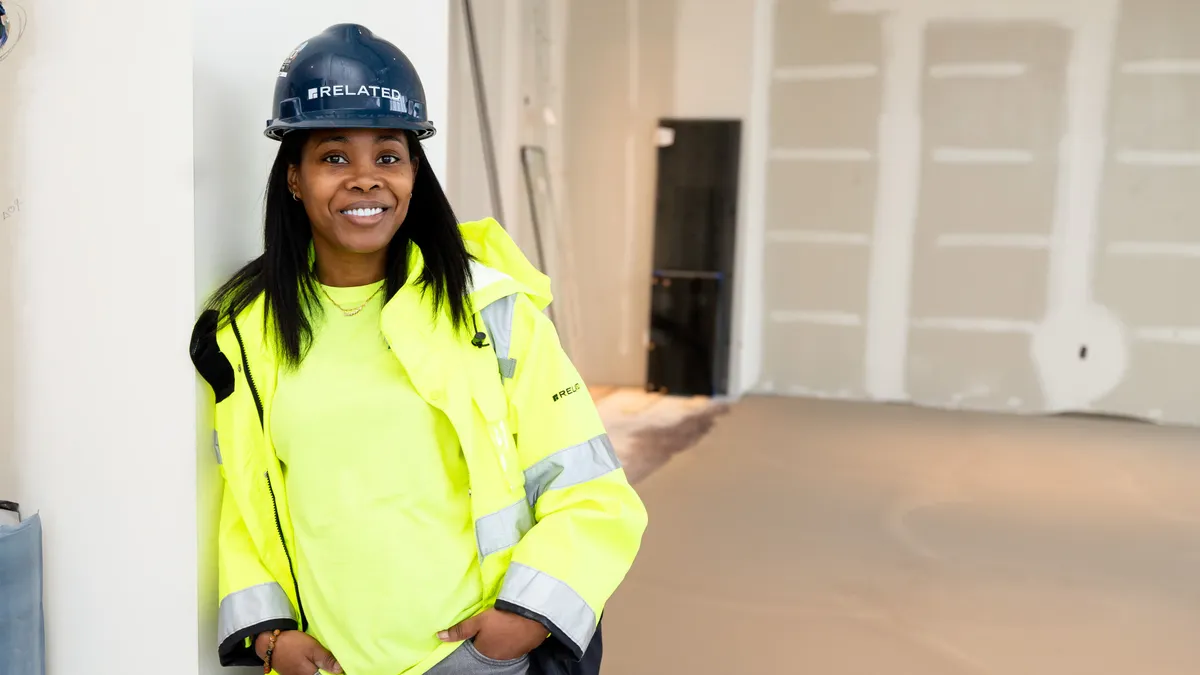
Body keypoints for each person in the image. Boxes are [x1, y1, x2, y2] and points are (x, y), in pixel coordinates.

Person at [189, 23, 647, 675]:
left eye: (388, 155)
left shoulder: (490, 311)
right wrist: (268, 632)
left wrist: (524, 617)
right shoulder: (247, 330)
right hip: (330, 664)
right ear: (294, 177)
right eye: (334, 157)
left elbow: (592, 488)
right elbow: (245, 495)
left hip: (469, 658)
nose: (366, 180)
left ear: (413, 171)